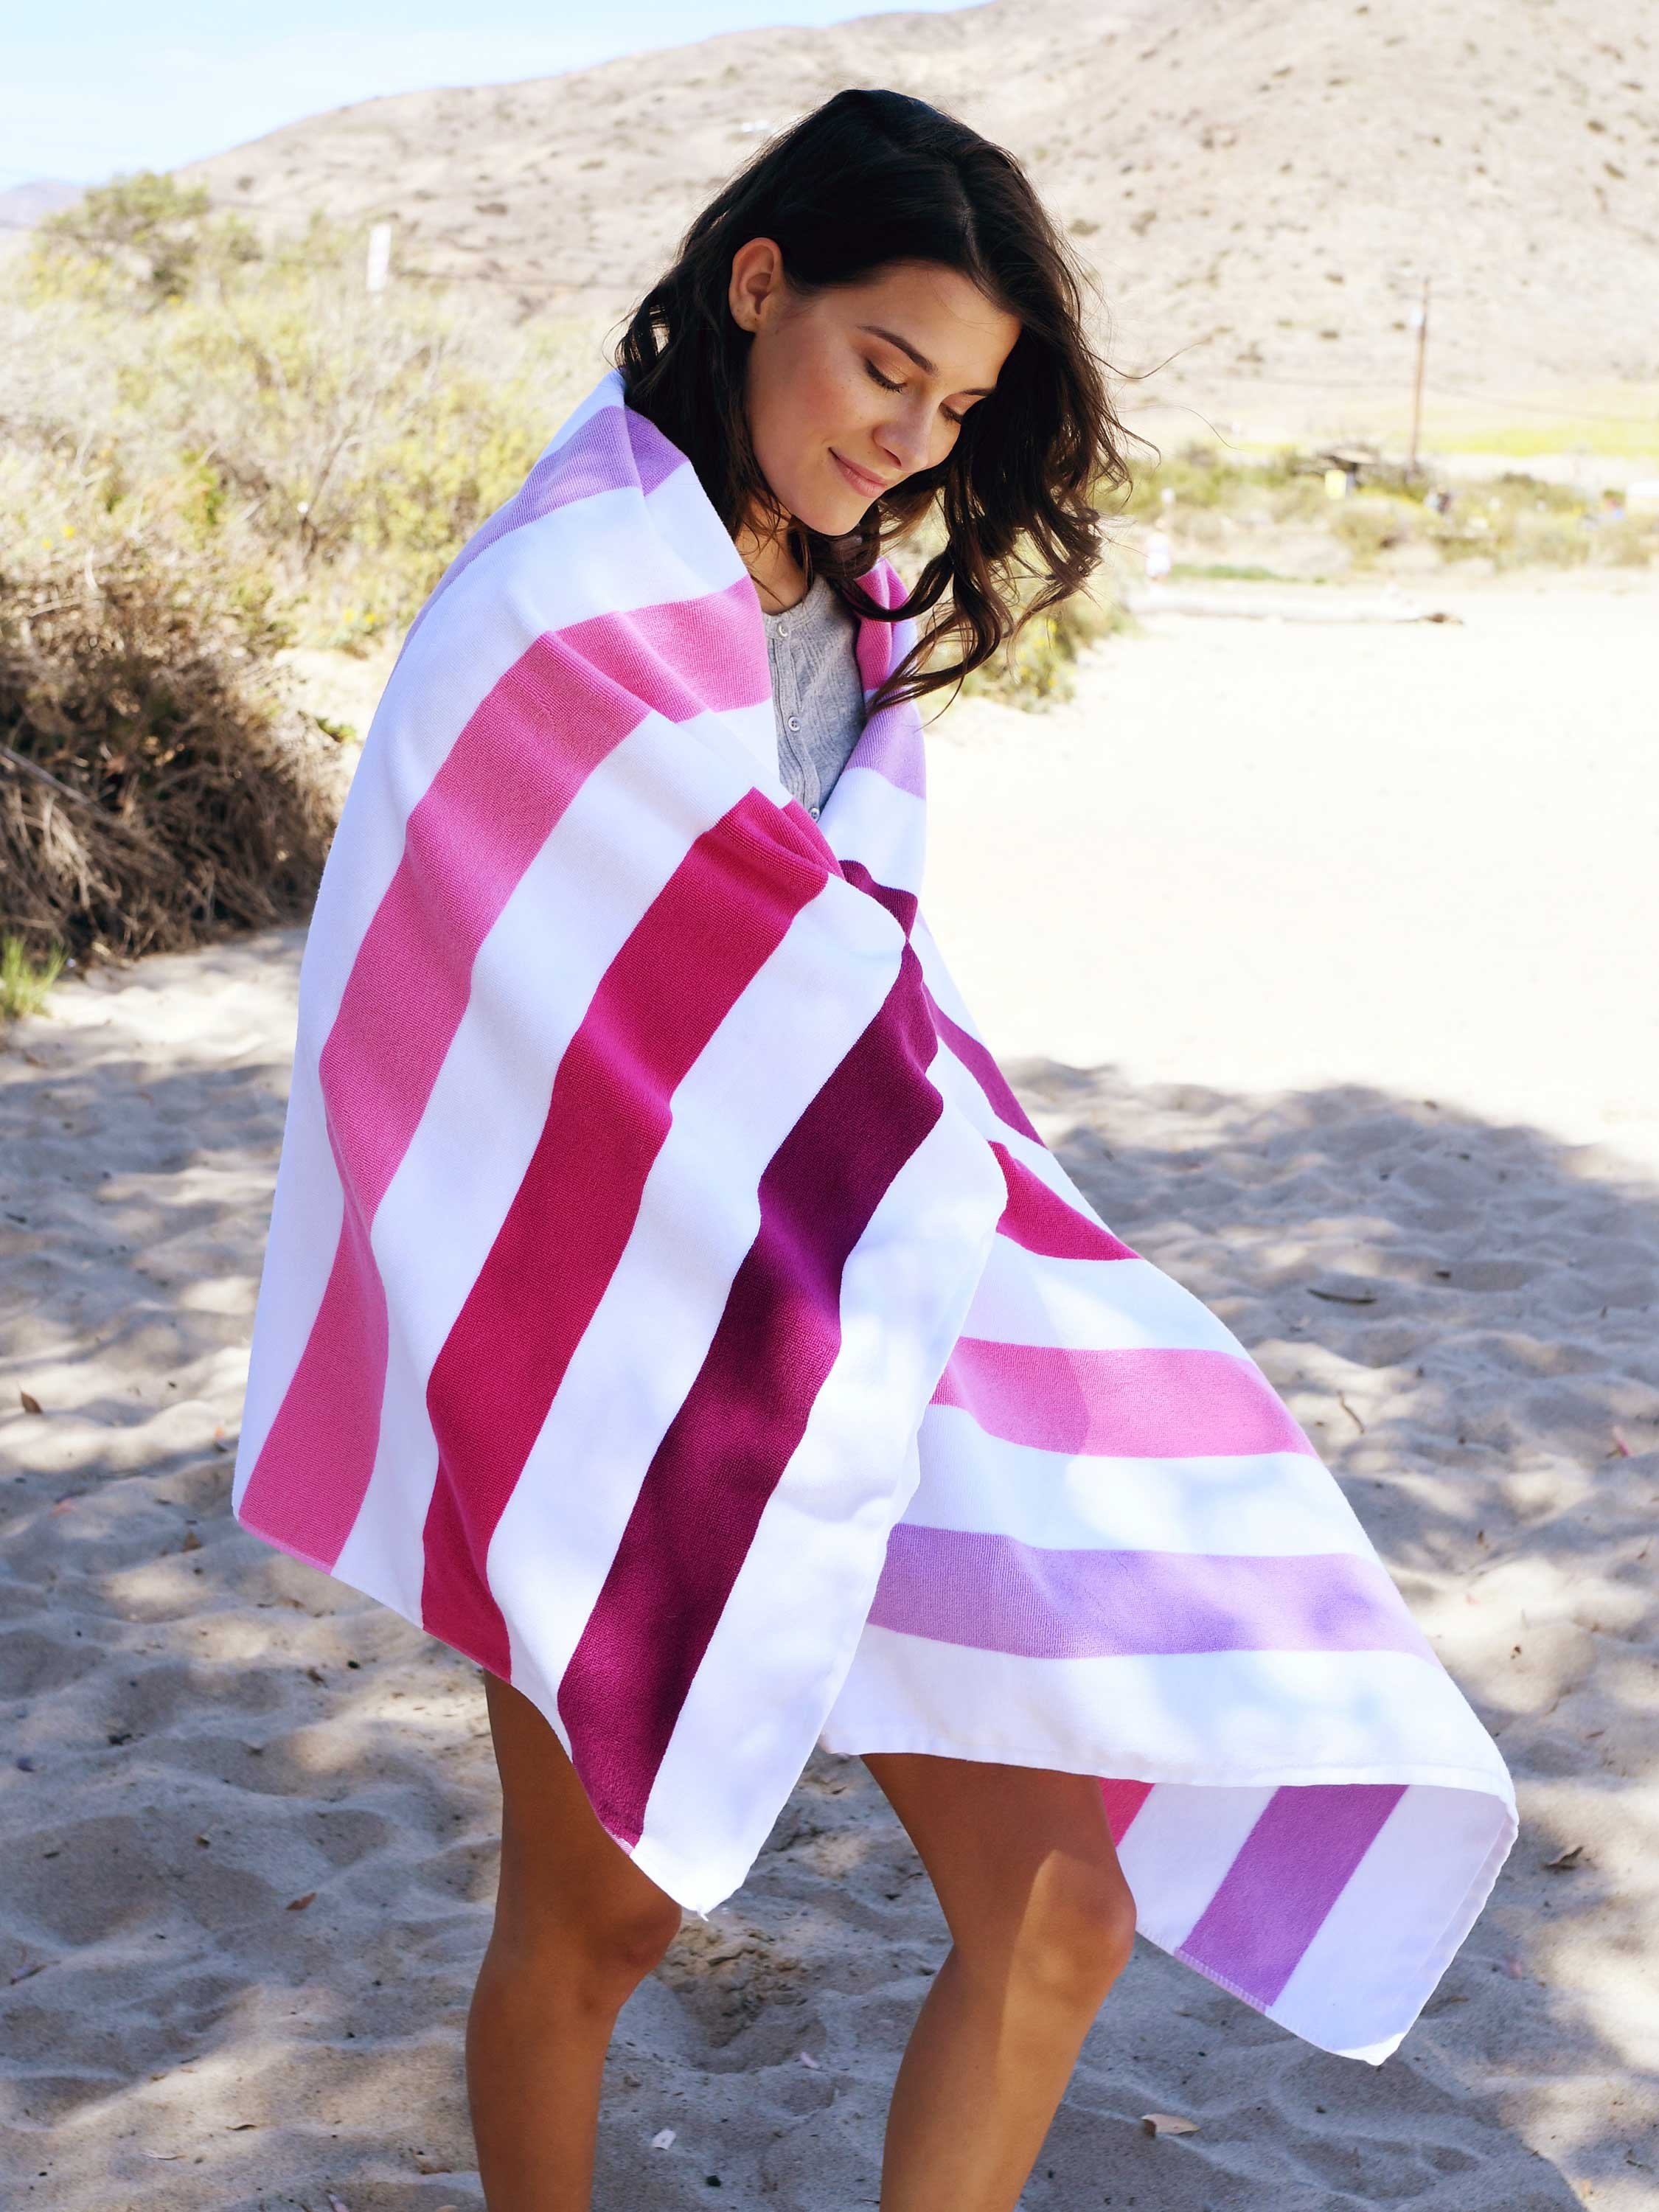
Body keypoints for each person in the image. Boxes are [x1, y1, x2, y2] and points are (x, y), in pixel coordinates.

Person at [463, 90, 1144, 2212]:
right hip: (618, 1352)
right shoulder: (571, 583)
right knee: (603, 1925)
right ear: (758, 284)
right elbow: (469, 989)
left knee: (1057, 1914)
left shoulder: (843, 605)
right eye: (884, 366)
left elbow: (845, 974)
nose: (911, 437)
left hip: (862, 1313)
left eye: (955, 404)